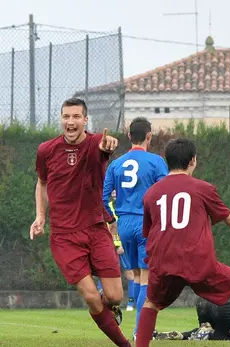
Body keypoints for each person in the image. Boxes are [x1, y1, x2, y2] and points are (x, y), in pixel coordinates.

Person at [134, 138, 230, 347]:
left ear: (167, 161)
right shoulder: (203, 188)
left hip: (164, 261)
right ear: (193, 160)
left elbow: (149, 232)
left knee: (151, 303)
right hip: (199, 262)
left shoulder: (151, 193)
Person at [30, 97, 131, 347]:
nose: (71, 122)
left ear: (85, 120)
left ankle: (106, 312)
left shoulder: (97, 142)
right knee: (92, 298)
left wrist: (110, 144)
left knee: (115, 296)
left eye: (76, 117)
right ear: (62, 119)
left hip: (96, 230)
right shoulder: (46, 150)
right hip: (64, 236)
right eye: (66, 117)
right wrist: (40, 216)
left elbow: (107, 146)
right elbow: (41, 183)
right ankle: (125, 344)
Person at [103, 117, 168, 336]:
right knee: (147, 277)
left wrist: (112, 221)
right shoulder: (156, 162)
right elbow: (165, 193)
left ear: (129, 136)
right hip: (146, 223)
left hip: (123, 224)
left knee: (138, 276)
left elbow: (103, 198)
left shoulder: (116, 164)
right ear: (149, 135)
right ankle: (142, 331)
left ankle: (142, 328)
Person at [152, 284, 230, 341]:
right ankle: (202, 336)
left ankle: (182, 335)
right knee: (225, 336)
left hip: (203, 301)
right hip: (225, 306)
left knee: (207, 329)